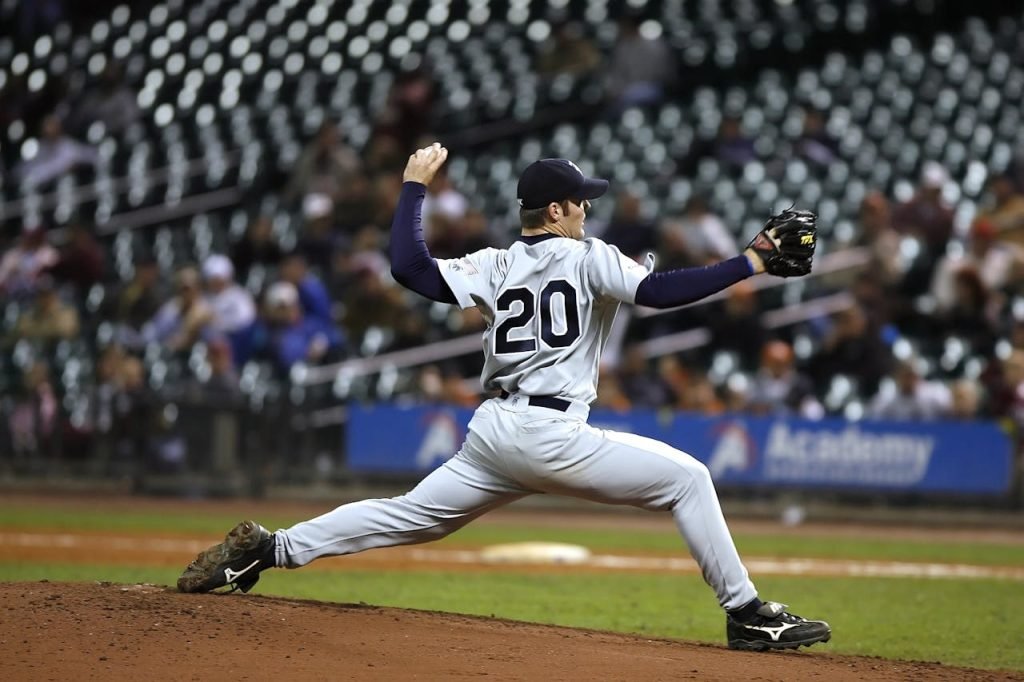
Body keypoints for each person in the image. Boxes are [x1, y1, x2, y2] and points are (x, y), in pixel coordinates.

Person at [177, 144, 830, 652]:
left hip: (495, 432)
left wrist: (413, 185)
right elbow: (658, 295)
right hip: (551, 434)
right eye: (579, 203)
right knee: (689, 479)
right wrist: (754, 261)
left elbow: (407, 267)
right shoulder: (588, 256)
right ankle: (747, 616)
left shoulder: (493, 264)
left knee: (408, 515)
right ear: (556, 212)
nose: (586, 211)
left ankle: (271, 548)